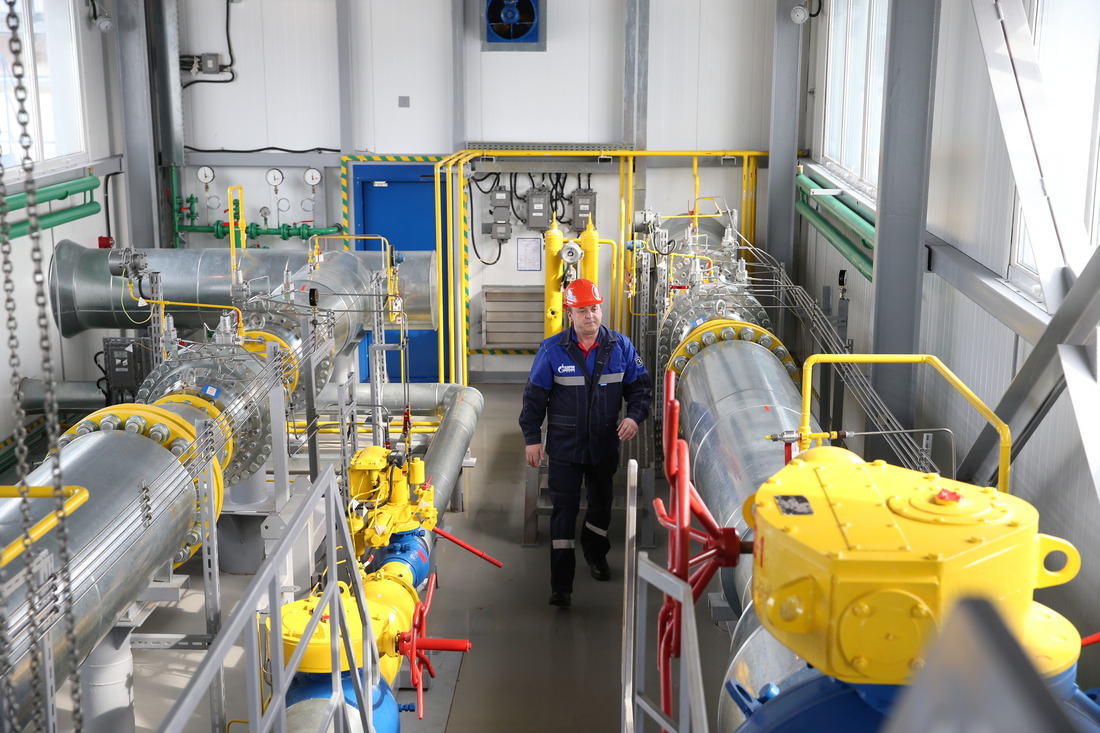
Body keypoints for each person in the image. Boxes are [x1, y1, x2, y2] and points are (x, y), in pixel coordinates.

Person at [519, 278, 652, 608]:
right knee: (563, 510)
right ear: (570, 314)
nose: (590, 315)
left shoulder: (621, 347)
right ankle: (561, 585)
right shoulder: (552, 350)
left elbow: (641, 389)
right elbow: (534, 398)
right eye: (582, 310)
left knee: (600, 505)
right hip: (565, 446)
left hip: (604, 443)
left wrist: (634, 417)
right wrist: (532, 439)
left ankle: (596, 556)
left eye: (594, 308)